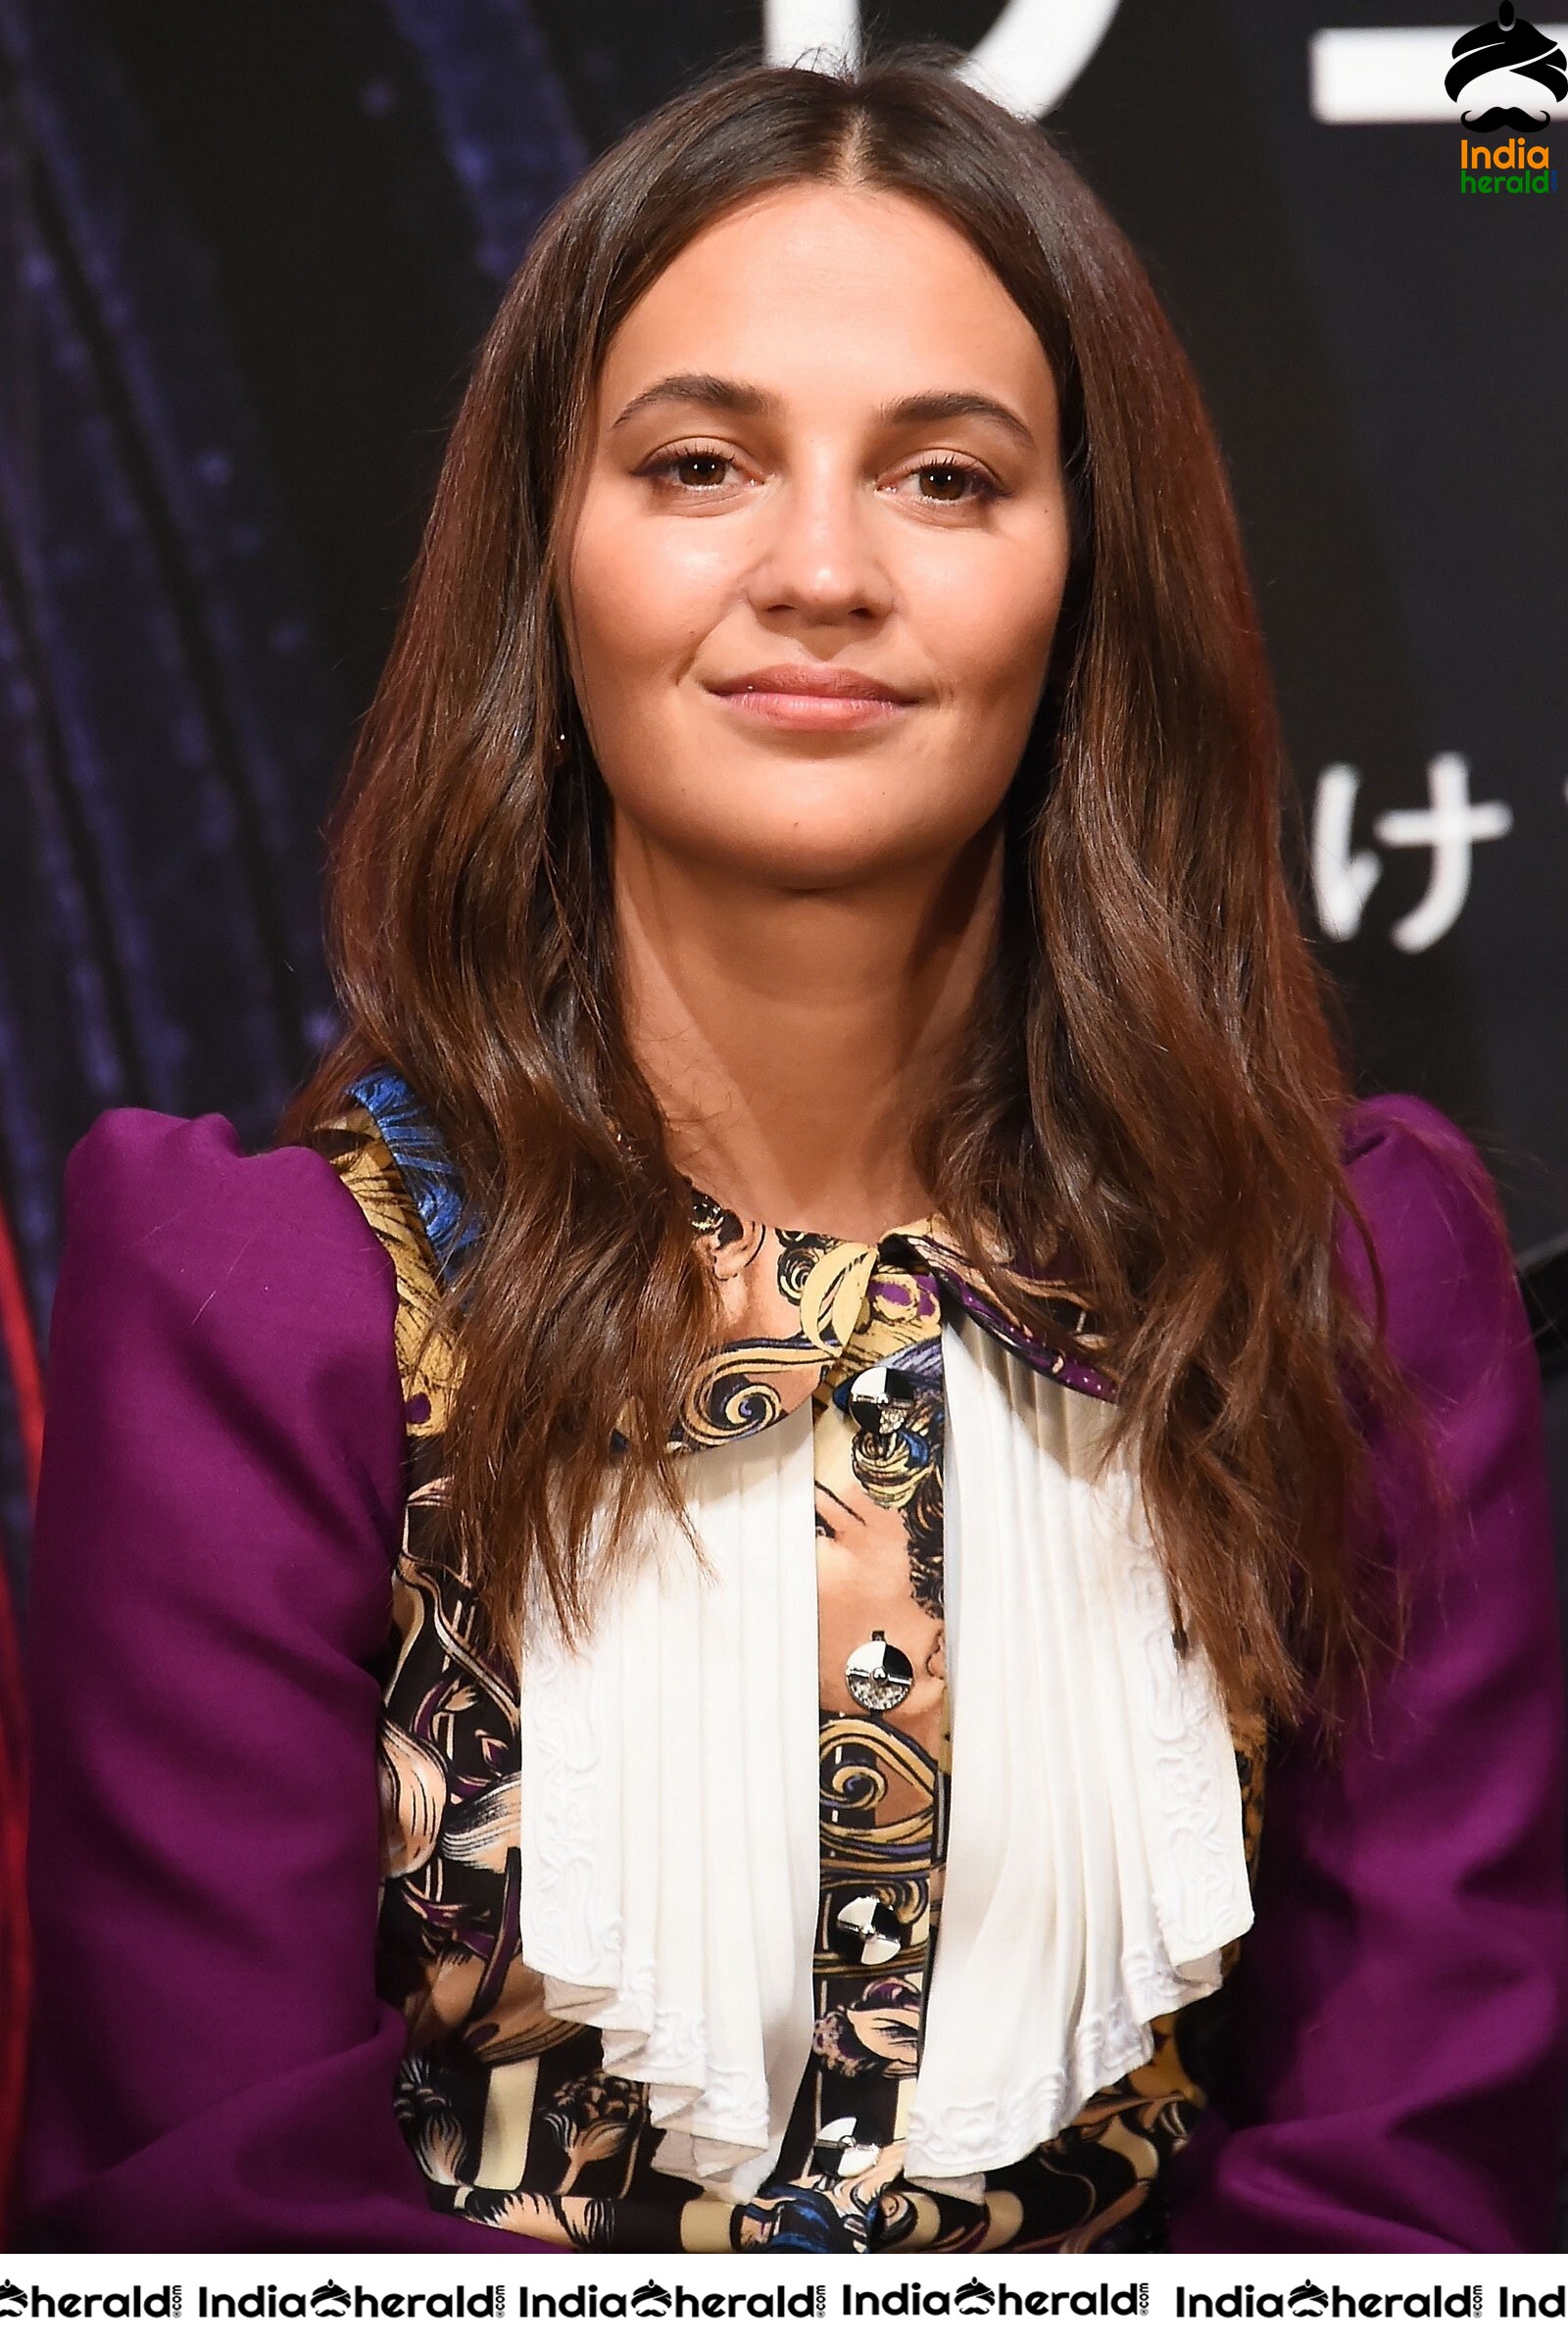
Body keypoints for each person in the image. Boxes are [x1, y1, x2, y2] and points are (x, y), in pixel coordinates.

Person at [22, 54, 1568, 2255]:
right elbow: (211, 2227)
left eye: (943, 477)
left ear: (1084, 582)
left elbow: (1410, 2195)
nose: (819, 568)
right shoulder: (264, 1304)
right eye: (697, 464)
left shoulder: (1342, 1283)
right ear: (545, 557)